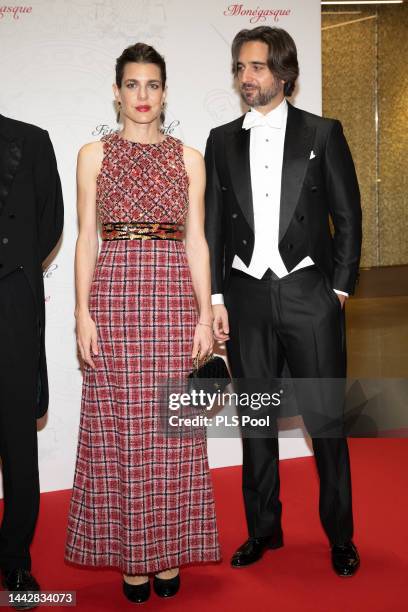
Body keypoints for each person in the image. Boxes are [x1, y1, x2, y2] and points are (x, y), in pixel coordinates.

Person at [64, 43, 221, 603]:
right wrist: (81, 312)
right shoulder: (93, 155)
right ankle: (133, 557)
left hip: (173, 300)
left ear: (165, 92)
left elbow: (198, 241)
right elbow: (86, 240)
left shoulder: (190, 158)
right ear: (116, 91)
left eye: (152, 85)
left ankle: (170, 548)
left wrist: (205, 315)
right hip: (113, 298)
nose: (143, 96)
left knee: (172, 431)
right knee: (122, 433)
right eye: (132, 85)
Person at [204, 26, 362, 577]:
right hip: (246, 298)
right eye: (240, 68)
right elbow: (212, 227)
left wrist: (338, 290)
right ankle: (263, 531)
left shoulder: (324, 132)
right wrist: (218, 296)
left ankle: (340, 536)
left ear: (283, 74)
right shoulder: (221, 140)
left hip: (308, 295)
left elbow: (347, 216)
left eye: (256, 67)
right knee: (256, 424)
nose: (246, 78)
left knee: (325, 423)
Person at [0, 114, 64, 605]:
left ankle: (15, 561)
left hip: (13, 307)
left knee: (18, 440)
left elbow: (50, 223)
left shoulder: (31, 140)